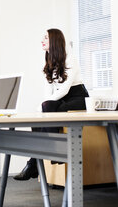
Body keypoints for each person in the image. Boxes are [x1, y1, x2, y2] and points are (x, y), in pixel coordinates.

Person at [13, 28, 89, 181]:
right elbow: (49, 88)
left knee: (48, 107)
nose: (42, 40)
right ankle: (40, 159)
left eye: (46, 38)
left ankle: (37, 161)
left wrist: (45, 104)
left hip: (78, 97)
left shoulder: (70, 59)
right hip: (63, 97)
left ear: (54, 41)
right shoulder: (49, 59)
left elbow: (65, 88)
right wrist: (43, 106)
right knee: (40, 115)